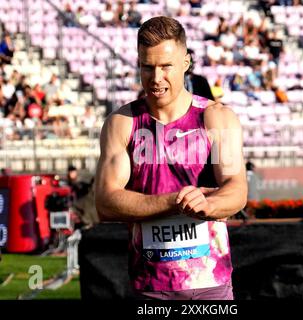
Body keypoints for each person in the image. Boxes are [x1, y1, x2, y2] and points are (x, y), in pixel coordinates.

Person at [94, 16, 247, 300]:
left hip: (209, 282)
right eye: (147, 67)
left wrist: (208, 203)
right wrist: (177, 201)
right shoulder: (122, 123)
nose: (156, 78)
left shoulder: (216, 117)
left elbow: (237, 192)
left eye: (166, 66)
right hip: (150, 284)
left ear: (186, 63)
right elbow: (105, 202)